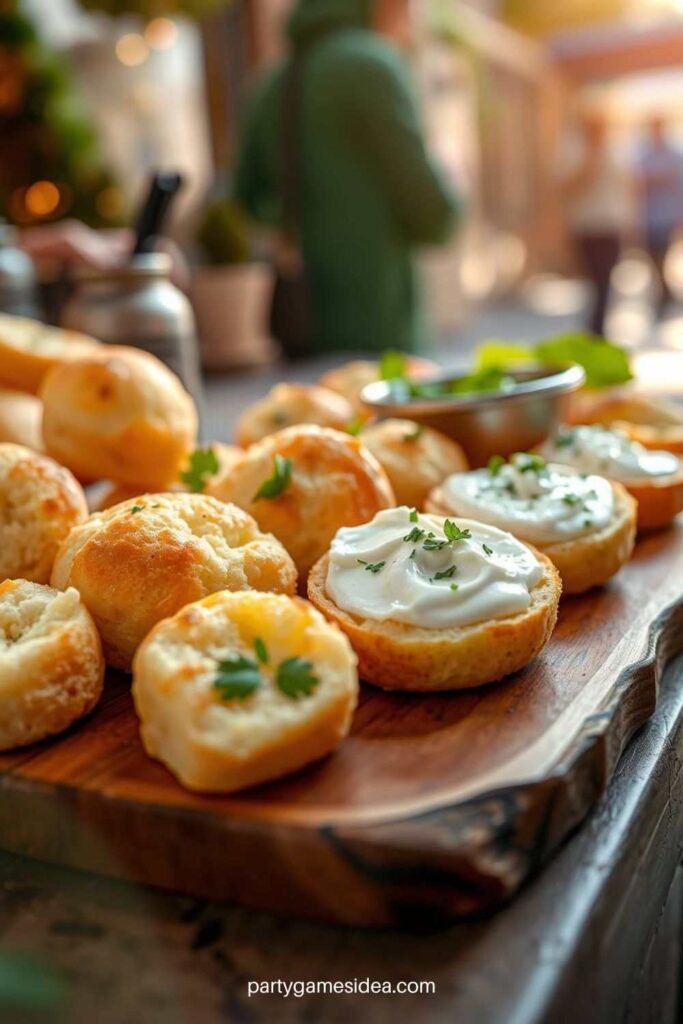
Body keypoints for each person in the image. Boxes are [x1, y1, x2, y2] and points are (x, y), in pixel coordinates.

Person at [234, 0, 460, 355]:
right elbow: (434, 215)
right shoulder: (374, 65)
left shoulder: (270, 84)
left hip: (299, 317)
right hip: (379, 316)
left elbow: (246, 200)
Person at [563, 112, 635, 336]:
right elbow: (568, 187)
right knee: (594, 279)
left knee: (605, 279)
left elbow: (627, 187)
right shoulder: (572, 150)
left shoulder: (616, 149)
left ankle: (597, 327)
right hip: (586, 226)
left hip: (611, 225)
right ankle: (595, 326)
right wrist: (591, 157)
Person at [637, 115, 683, 311]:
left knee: (662, 255)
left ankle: (663, 295)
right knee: (652, 256)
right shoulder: (642, 155)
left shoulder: (674, 155)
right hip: (648, 216)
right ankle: (663, 291)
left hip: (667, 215)